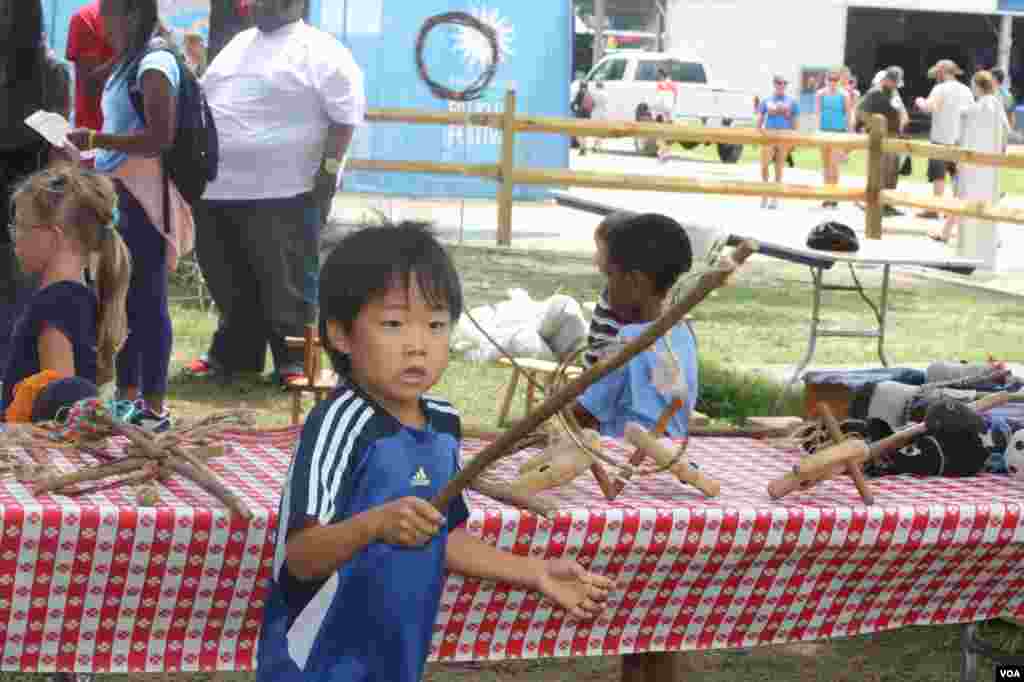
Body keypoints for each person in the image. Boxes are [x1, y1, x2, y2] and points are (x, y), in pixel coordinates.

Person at [256, 221, 613, 682]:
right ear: (341, 335)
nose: (417, 344)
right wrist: (376, 523)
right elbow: (302, 556)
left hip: (394, 660)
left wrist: (536, 572)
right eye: (393, 323)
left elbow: (445, 536)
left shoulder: (443, 422)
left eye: (436, 324)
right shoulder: (340, 424)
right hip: (314, 664)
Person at [186, 0, 366, 385]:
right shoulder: (237, 45)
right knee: (228, 280)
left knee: (288, 283)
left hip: (286, 190)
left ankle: (295, 363)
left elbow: (345, 116)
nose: (254, 5)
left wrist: (329, 171)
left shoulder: (320, 50)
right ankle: (234, 356)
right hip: (218, 189)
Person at [66, 0, 194, 431]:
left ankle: (155, 407)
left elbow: (160, 137)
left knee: (148, 300)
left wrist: (96, 137)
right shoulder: (127, 62)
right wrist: (89, 152)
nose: (103, 22)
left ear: (133, 15)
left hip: (146, 198)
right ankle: (128, 397)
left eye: (110, 14)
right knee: (124, 296)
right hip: (122, 192)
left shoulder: (155, 62)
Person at [1, 164, 131, 419]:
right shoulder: (77, 295)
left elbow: (61, 403)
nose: (15, 237)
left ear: (55, 236)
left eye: (20, 226)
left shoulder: (56, 301)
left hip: (35, 451)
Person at [572, 213, 698, 438]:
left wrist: (556, 406)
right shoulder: (682, 333)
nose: (608, 288)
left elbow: (583, 413)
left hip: (622, 456)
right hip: (667, 452)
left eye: (610, 275)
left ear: (634, 282)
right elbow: (665, 400)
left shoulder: (629, 342)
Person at [1, 0, 71, 372]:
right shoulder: (48, 72)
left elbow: (58, 144)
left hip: (27, 207)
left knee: (20, 305)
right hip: (21, 205)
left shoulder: (49, 73)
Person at [931, 70, 1010, 244]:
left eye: (973, 84)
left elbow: (965, 136)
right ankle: (992, 237)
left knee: (963, 196)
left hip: (973, 161)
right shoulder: (996, 104)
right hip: (991, 161)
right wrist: (1001, 154)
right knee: (986, 197)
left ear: (978, 86)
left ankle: (946, 233)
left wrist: (960, 159)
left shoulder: (977, 107)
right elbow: (1006, 131)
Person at [915, 59, 974, 220]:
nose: (936, 76)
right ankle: (954, 211)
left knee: (938, 176)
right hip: (959, 140)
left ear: (942, 72)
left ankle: (935, 209)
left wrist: (920, 102)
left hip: (940, 138)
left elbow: (930, 107)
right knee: (957, 176)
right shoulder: (966, 90)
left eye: (937, 73)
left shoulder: (939, 88)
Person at [583, 211, 633, 368]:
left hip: (597, 385)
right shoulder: (613, 291)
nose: (595, 259)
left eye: (600, 250)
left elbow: (603, 362)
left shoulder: (617, 298)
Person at [857, 67, 907, 218]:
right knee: (880, 173)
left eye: (896, 82)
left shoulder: (894, 94)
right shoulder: (874, 93)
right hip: (881, 138)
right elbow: (860, 112)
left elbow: (901, 113)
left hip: (894, 137)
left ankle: (888, 204)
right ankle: (875, 204)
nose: (894, 84)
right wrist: (873, 127)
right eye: (892, 81)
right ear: (886, 79)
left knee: (892, 174)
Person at [65, 0, 116, 132]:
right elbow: (91, 88)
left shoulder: (149, 23)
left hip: (135, 140)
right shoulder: (86, 18)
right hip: (93, 140)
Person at [757, 75, 799, 209]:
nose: (782, 86)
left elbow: (795, 123)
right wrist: (758, 133)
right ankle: (764, 194)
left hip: (784, 135)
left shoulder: (792, 101)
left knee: (779, 167)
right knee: (764, 165)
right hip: (769, 134)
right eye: (779, 83)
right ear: (774, 84)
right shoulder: (766, 100)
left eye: (784, 84)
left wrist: (793, 140)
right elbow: (759, 119)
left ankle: (775, 197)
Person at [816, 68, 853, 207]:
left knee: (834, 165)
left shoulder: (844, 95)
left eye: (835, 80)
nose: (832, 82)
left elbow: (848, 115)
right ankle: (826, 196)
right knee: (825, 165)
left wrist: (849, 135)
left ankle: (834, 196)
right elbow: (818, 113)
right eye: (830, 79)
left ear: (839, 81)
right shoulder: (820, 94)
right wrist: (818, 131)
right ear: (826, 80)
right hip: (824, 132)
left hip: (838, 132)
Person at [654, 67, 679, 162]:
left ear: (661, 75)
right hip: (670, 113)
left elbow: (658, 100)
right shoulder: (673, 85)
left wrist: (655, 112)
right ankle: (665, 151)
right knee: (668, 134)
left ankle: (663, 152)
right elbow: (675, 98)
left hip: (662, 113)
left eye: (658, 76)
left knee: (659, 135)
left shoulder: (660, 85)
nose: (657, 77)